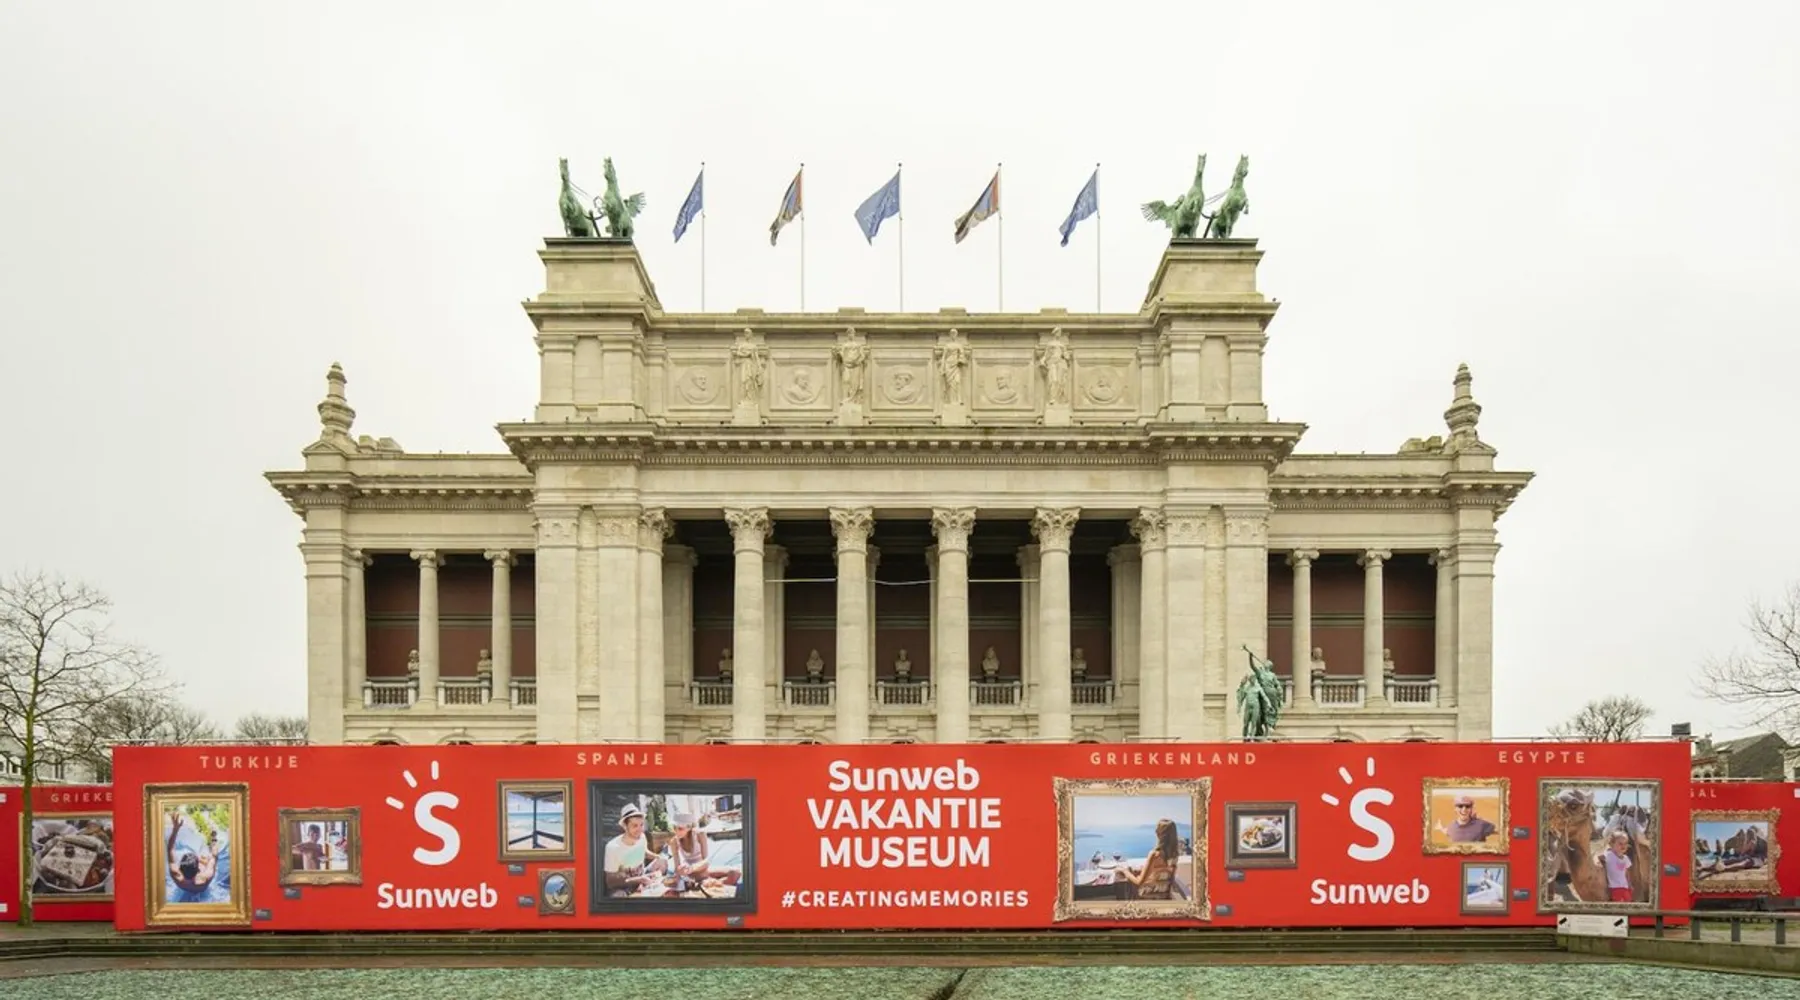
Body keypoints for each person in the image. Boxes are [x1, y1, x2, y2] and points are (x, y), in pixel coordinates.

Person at [602, 803, 665, 896]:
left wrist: (658, 857)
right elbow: (610, 882)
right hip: (624, 886)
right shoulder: (612, 847)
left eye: (641, 825)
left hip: (642, 876)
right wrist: (640, 880)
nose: (640, 830)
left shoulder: (642, 837)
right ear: (625, 826)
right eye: (635, 826)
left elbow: (644, 852)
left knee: (664, 861)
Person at [1118, 818, 1185, 900]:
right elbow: (1163, 874)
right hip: (1163, 896)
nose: (1155, 831)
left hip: (1147, 895)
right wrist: (1143, 871)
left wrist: (1125, 871)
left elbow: (1139, 882)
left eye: (1158, 829)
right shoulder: (1175, 855)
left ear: (1161, 834)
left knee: (1126, 882)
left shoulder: (1155, 855)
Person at [165, 812, 218, 899]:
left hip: (183, 889)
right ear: (198, 869)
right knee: (206, 858)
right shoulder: (206, 876)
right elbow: (214, 855)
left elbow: (170, 849)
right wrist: (214, 836)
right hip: (204, 892)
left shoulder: (176, 875)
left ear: (180, 868)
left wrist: (175, 829)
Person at [1596, 829, 1634, 902]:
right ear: (1611, 844)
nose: (1623, 846)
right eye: (1620, 843)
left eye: (1625, 843)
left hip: (1625, 887)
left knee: (1629, 903)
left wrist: (1630, 884)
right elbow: (1599, 857)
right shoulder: (1609, 855)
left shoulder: (1626, 858)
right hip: (1615, 887)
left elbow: (1626, 873)